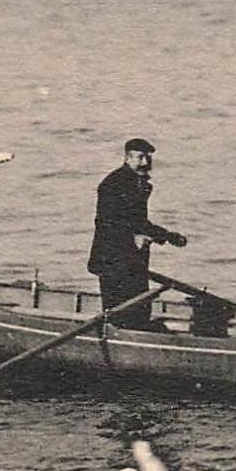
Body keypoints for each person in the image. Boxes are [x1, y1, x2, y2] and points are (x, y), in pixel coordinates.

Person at [87, 138, 187, 330]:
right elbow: (106, 222)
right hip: (112, 259)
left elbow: (139, 222)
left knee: (139, 308)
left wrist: (167, 236)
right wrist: (132, 237)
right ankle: (120, 339)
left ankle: (138, 334)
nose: (145, 163)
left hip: (133, 258)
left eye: (148, 158)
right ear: (127, 158)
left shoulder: (139, 184)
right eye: (140, 157)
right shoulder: (112, 184)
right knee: (120, 312)